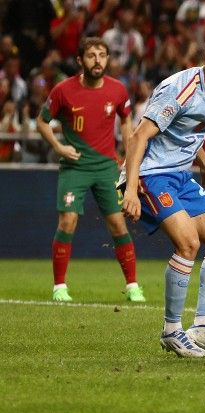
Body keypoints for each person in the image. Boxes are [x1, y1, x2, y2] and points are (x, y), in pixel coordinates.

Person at [120, 29, 205, 358]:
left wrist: (204, 165)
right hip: (151, 173)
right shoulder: (182, 89)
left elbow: (195, 128)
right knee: (188, 242)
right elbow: (138, 137)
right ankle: (172, 330)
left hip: (180, 174)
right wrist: (131, 188)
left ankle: (203, 327)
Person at [36, 37, 144, 303]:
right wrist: (59, 148)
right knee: (68, 221)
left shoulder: (118, 90)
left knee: (118, 224)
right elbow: (42, 122)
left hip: (107, 167)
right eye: (92, 55)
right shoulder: (63, 91)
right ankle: (59, 286)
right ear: (80, 61)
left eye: (103, 55)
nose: (98, 60)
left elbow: (127, 120)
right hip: (75, 167)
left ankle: (132, 286)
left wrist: (127, 157)